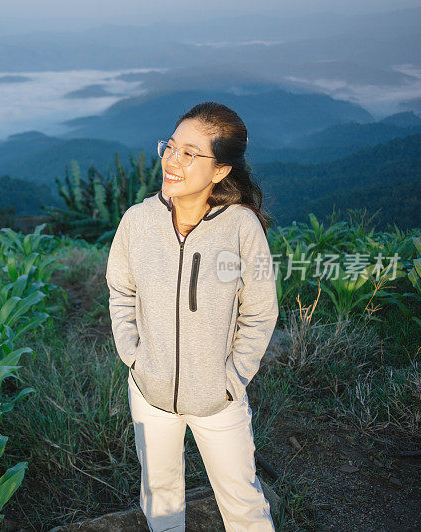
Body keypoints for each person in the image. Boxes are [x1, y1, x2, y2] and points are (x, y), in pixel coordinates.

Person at [105, 101, 278, 531]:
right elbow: (120, 290)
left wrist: (232, 379)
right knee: (160, 499)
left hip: (218, 400)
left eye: (190, 153)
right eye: (170, 146)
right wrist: (133, 356)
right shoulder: (137, 221)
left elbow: (260, 311)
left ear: (220, 170)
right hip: (151, 391)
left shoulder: (241, 228)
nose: (172, 161)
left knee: (243, 504)